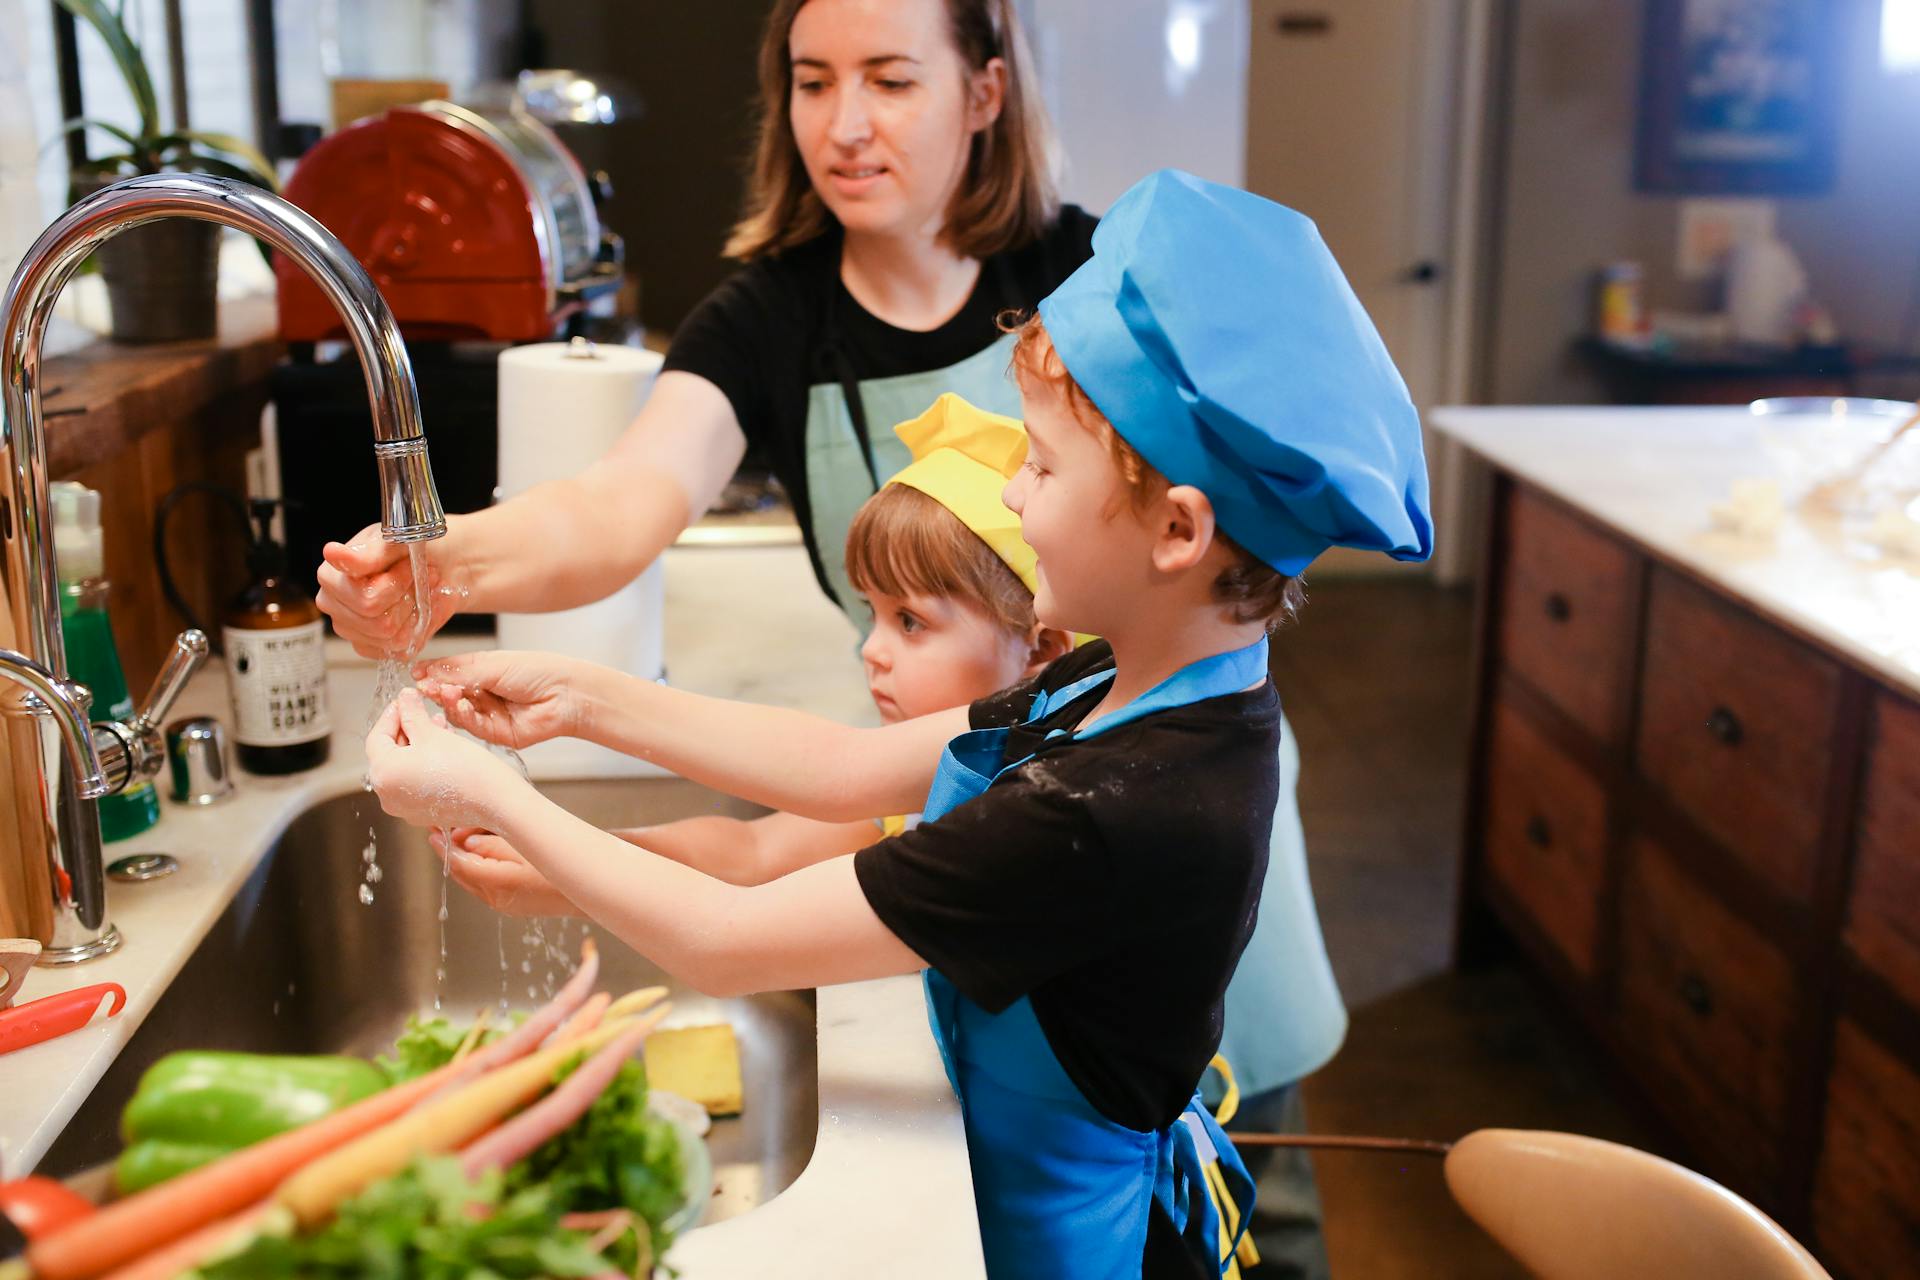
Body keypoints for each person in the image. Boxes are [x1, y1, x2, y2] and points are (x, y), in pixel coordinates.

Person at [365, 169, 1432, 1279]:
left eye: (1045, 464)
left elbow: (725, 944)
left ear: (1177, 529)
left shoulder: (1119, 807)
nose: (1013, 495)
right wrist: (582, 699)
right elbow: (845, 770)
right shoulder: (1130, 682)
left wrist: (493, 792)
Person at [315, 0, 1092, 650]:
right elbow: (616, 508)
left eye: (890, 81)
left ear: (985, 95)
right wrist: (438, 562)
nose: (844, 126)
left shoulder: (1090, 275)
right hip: (924, 762)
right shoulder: (763, 321)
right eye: (813, 83)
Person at [438, 392, 1072, 900]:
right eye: (871, 615)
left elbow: (756, 891)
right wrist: (568, 859)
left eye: (910, 622)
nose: (871, 652)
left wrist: (575, 863)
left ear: (1042, 647)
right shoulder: (914, 786)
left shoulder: (1037, 806)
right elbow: (752, 854)